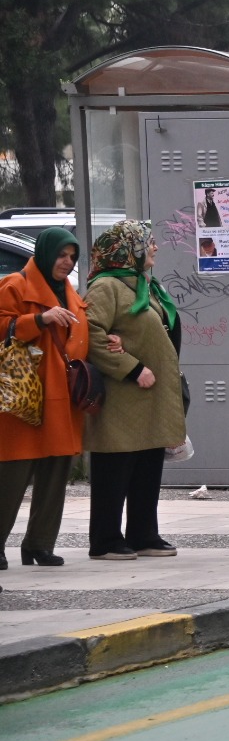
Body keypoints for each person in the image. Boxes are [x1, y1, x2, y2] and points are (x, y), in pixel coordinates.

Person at [83, 221, 186, 560]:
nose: (154, 247)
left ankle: (144, 534)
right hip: (122, 398)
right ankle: (105, 540)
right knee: (115, 468)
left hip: (149, 398)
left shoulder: (145, 286)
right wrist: (132, 367)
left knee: (146, 466)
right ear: (127, 249)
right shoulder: (107, 287)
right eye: (148, 242)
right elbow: (91, 333)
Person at [0, 228, 88, 569]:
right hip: (24, 396)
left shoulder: (70, 293)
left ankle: (39, 544)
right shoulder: (15, 285)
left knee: (55, 470)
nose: (67, 262)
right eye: (61, 255)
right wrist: (39, 318)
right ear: (45, 253)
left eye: (72, 257)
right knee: (12, 473)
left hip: (60, 395)